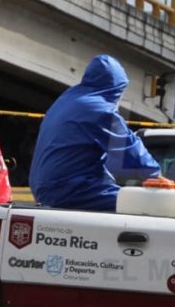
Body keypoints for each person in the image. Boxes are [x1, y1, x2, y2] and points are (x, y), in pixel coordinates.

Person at [29, 55, 165, 211]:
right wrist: (156, 176)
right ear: (116, 88)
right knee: (141, 206)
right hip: (69, 188)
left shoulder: (68, 98)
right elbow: (128, 149)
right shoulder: (99, 109)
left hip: (46, 186)